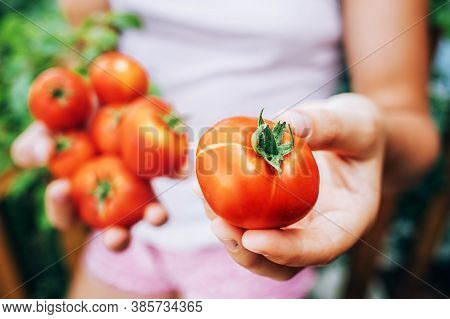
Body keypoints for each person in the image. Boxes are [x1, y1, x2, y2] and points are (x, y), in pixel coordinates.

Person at [11, 0, 439, 298]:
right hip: (133, 212)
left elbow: (409, 123)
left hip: (266, 241)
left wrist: (374, 138)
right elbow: (92, 52)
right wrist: (74, 128)